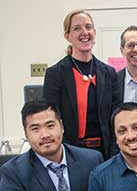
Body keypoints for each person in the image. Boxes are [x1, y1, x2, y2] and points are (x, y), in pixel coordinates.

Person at [43, 9, 121, 160]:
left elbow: (116, 117)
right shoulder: (56, 74)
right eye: (77, 28)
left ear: (95, 32)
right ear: (68, 36)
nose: (84, 32)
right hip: (70, 153)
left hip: (106, 154)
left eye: (88, 27)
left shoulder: (109, 73)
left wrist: (114, 153)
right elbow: (50, 119)